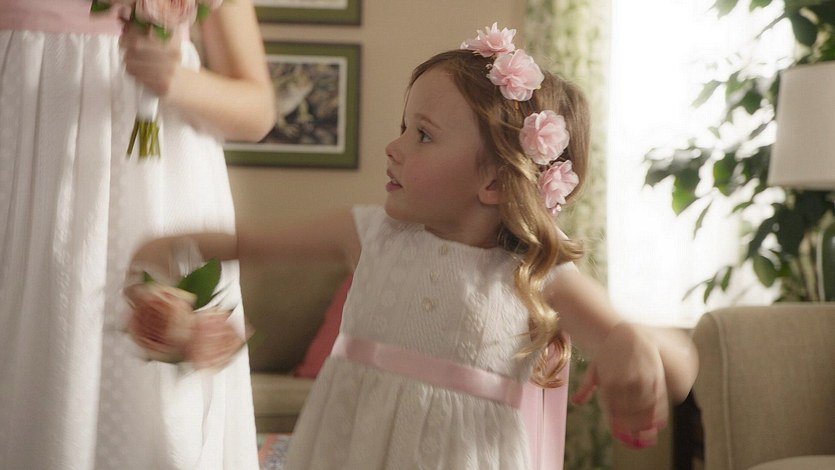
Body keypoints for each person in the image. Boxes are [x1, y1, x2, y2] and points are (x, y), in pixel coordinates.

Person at [126, 23, 698, 469]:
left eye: (422, 134)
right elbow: (249, 242)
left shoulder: (534, 275)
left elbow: (684, 365)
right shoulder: (369, 232)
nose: (394, 147)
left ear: (495, 181)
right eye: (404, 127)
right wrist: (173, 243)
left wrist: (632, 345)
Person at [0, 0, 275, 469]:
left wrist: (176, 80)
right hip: (22, 183)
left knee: (156, 403)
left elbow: (258, 111)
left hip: (155, 192)